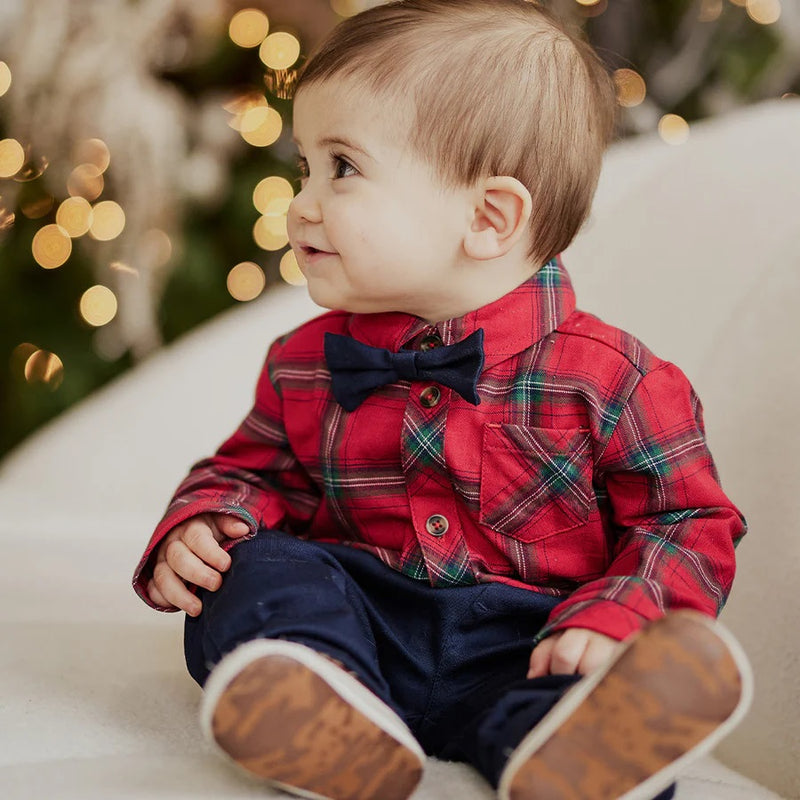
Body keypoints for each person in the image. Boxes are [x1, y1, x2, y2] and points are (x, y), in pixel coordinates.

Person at [132, 1, 752, 798]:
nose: (303, 204)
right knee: (250, 575)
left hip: (526, 642)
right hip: (360, 623)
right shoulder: (304, 364)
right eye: (304, 169)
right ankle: (325, 710)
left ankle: (585, 751)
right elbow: (257, 473)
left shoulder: (616, 380)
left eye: (343, 168)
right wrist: (209, 520)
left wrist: (618, 616)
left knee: (573, 687)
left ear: (488, 218)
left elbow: (687, 521)